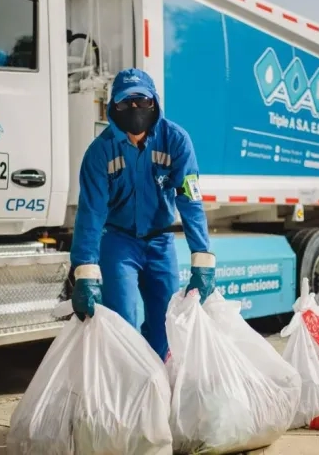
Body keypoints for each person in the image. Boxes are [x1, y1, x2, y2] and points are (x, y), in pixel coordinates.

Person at [69, 68, 216, 361]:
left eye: (142, 101)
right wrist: (84, 270)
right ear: (113, 108)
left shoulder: (175, 141)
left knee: (165, 328)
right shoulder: (100, 152)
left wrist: (202, 257)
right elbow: (91, 213)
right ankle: (130, 393)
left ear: (154, 103)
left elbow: (190, 198)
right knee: (122, 323)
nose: (135, 109)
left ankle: (157, 392)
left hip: (160, 244)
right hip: (118, 243)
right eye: (125, 103)